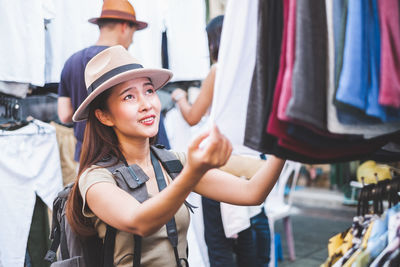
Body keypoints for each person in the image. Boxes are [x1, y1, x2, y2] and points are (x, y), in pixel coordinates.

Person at [65, 45, 285, 266]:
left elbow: (252, 192)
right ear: (104, 116)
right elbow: (139, 221)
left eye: (149, 91)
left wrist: (285, 142)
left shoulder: (170, 162)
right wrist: (191, 174)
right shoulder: (95, 178)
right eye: (129, 97)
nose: (146, 105)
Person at [172, 15, 271, 266]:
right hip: (254, 158)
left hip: (223, 160)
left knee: (219, 243)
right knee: (253, 225)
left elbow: (193, 117)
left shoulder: (219, 70)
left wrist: (179, 98)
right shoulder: (258, 68)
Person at [57, 0, 171, 164]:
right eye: (133, 33)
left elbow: (65, 115)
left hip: (86, 156)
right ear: (125, 27)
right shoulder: (123, 65)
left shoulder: (71, 62)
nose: (131, 41)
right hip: (123, 160)